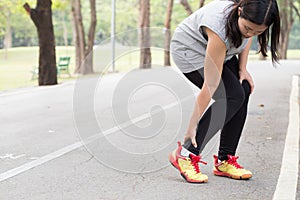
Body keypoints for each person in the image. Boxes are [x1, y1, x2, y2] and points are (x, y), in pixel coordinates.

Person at [168, 0, 280, 183]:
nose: (250, 33)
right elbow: (210, 86)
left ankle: (225, 160)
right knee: (232, 95)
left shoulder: (250, 20)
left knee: (243, 88)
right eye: (248, 28)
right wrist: (192, 126)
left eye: (258, 31)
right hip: (190, 50)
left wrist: (243, 69)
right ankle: (186, 154)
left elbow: (245, 38)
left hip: (222, 50)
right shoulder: (219, 27)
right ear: (240, 12)